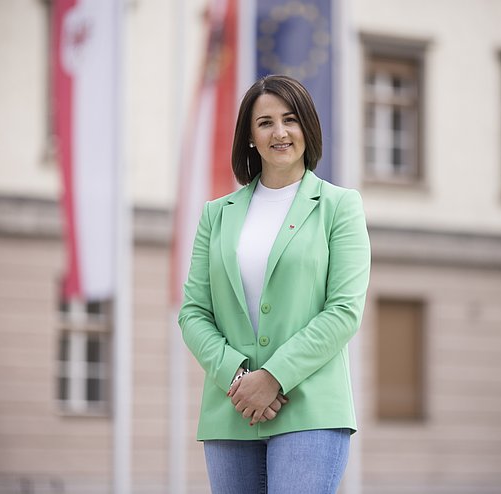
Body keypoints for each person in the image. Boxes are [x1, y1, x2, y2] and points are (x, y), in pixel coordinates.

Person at [178, 74, 371, 494]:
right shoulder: (217, 214)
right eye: (265, 122)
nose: (279, 132)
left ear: (307, 127)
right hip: (232, 409)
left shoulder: (340, 207)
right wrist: (238, 376)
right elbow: (193, 312)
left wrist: (274, 376)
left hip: (311, 409)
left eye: (290, 119)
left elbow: (343, 312)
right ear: (250, 136)